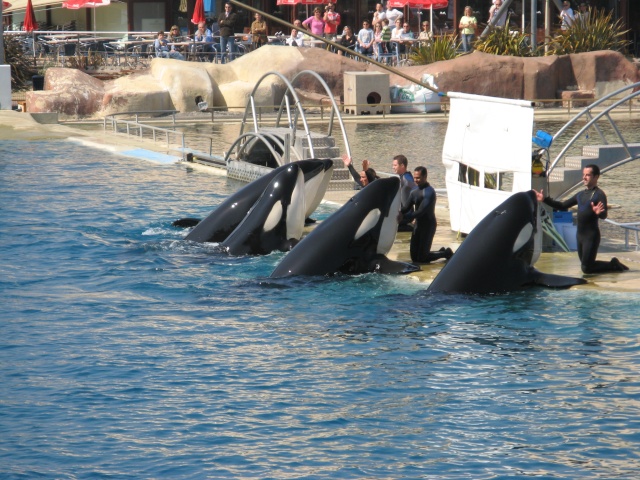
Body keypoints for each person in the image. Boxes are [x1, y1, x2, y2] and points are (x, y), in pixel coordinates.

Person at [534, 164, 629, 273]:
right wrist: (544, 199)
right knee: (587, 265)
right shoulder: (580, 195)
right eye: (583, 175)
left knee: (586, 268)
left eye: (588, 175)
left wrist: (599, 213)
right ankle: (613, 264)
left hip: (591, 236)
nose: (584, 177)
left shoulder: (599, 194)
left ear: (596, 177)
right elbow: (562, 206)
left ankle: (613, 265)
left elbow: (604, 215)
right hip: (580, 236)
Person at [399, 166, 453, 263]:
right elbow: (406, 208)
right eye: (415, 178)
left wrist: (404, 217)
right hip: (418, 225)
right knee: (414, 258)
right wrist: (397, 212)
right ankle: (440, 252)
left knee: (422, 258)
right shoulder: (414, 191)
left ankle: (446, 253)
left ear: (425, 177)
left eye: (418, 178)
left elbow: (421, 211)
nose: (416, 180)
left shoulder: (429, 192)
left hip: (428, 225)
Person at [392, 154, 416, 231]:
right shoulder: (403, 177)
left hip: (406, 217)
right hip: (403, 215)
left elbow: (418, 190)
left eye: (395, 165)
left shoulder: (406, 178)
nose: (393, 167)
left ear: (402, 165)